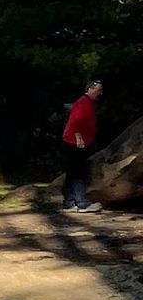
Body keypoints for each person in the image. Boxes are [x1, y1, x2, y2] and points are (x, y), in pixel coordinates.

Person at [61, 76, 103, 210]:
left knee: (73, 171)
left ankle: (70, 201)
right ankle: (80, 201)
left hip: (76, 141)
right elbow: (75, 121)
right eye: (98, 90)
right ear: (90, 89)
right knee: (79, 172)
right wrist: (79, 138)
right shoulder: (83, 102)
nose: (100, 93)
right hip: (75, 143)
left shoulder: (87, 102)